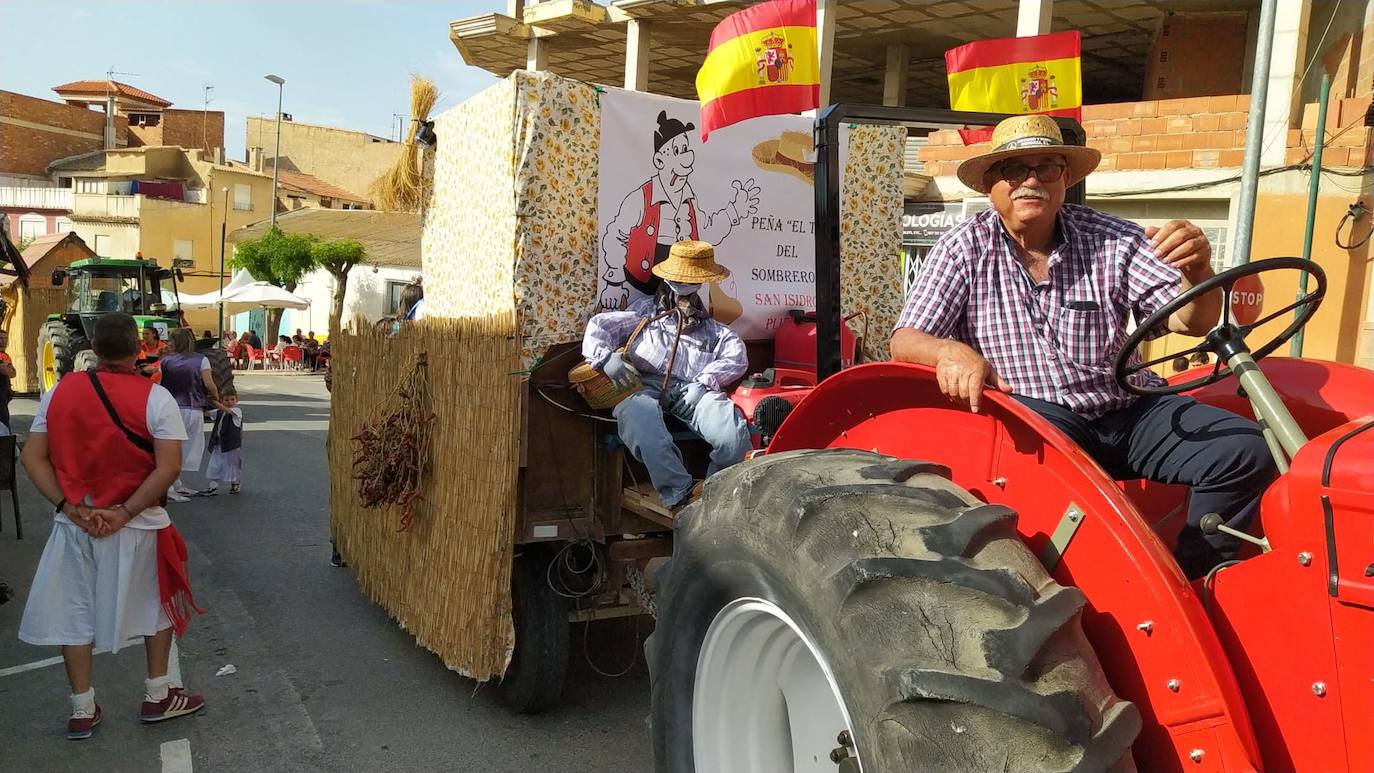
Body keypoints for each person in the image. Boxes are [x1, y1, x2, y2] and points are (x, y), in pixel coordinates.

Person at [890, 114, 1276, 579]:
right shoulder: (961, 248)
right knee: (1058, 481)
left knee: (1243, 448)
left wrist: (1197, 272)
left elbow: (1193, 321)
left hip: (1128, 407)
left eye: (1046, 168)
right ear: (991, 185)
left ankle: (1194, 580)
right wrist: (950, 351)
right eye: (1014, 170)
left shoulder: (1114, 239)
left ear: (1065, 179)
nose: (1030, 181)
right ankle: (1082, 587)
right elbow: (906, 339)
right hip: (1037, 415)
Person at [17, 313, 205, 740]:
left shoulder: (60, 392)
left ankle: (83, 708)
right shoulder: (156, 399)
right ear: (138, 347)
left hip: (76, 522)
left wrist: (69, 506)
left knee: (74, 613)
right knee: (157, 604)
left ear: (96, 348)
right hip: (137, 523)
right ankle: (158, 694)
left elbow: (32, 457)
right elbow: (168, 467)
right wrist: (123, 514)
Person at [582, 240, 750, 511]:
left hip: (692, 389)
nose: (685, 284)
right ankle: (678, 493)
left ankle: (714, 492)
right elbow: (599, 327)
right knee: (637, 414)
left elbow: (736, 357)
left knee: (732, 435)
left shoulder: (714, 330)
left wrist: (705, 381)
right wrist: (606, 359)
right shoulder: (645, 312)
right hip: (642, 383)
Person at [158, 328, 223, 502]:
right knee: (188, 447)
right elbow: (209, 385)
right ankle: (170, 487)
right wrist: (215, 397)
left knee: (173, 447)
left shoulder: (166, 361)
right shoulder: (201, 360)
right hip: (192, 407)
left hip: (170, 407)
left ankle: (175, 484)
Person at [197, 391, 241, 496]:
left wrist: (214, 401)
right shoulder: (219, 412)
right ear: (222, 400)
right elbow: (207, 413)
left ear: (237, 401)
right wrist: (201, 403)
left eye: (232, 399)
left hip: (232, 445)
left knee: (233, 464)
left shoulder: (237, 411)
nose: (230, 402)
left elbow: (227, 410)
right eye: (226, 400)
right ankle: (213, 487)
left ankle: (235, 483)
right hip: (219, 443)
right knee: (215, 464)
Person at [0, 328, 15, 430]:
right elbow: (9, 371)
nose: (3, 341)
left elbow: (12, 373)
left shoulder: (5, 356)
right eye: (0, 338)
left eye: (5, 338)